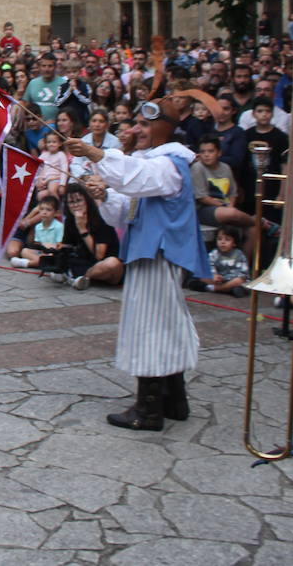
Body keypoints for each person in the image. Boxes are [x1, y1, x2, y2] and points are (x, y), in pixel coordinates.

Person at [67, 95, 210, 432]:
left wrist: (97, 154)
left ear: (165, 128)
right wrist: (103, 196)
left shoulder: (171, 162)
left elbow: (140, 178)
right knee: (165, 325)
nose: (136, 129)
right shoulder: (153, 162)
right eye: (138, 123)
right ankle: (174, 400)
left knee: (149, 326)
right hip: (148, 252)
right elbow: (127, 209)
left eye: (145, 124)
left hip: (160, 255)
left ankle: (148, 410)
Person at [188, 226, 250, 298]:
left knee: (239, 281)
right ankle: (227, 289)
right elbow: (210, 265)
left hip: (232, 279)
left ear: (234, 243)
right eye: (219, 239)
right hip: (219, 280)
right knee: (202, 277)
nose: (222, 242)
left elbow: (243, 272)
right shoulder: (214, 253)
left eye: (227, 240)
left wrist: (228, 278)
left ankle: (213, 288)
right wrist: (214, 275)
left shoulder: (239, 254)